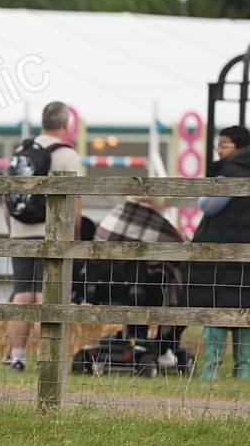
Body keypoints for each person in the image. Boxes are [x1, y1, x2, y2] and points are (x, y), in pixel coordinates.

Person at [4, 101, 82, 372]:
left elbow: (9, 196)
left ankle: (16, 356)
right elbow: (75, 203)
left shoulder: (22, 150)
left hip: (20, 231)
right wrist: (76, 236)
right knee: (45, 296)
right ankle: (43, 357)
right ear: (65, 124)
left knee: (22, 294)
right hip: (53, 233)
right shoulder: (68, 155)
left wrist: (12, 229)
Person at [87, 195, 187, 366]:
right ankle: (165, 343)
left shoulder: (114, 215)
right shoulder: (156, 222)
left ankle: (135, 335)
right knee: (174, 274)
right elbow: (181, 248)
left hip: (102, 287)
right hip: (140, 290)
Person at [186, 128, 250, 379]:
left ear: (240, 147)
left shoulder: (230, 171)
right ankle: (245, 369)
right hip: (246, 252)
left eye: (224, 145)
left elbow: (208, 205)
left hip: (220, 251)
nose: (219, 151)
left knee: (217, 305)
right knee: (245, 307)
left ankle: (210, 369)